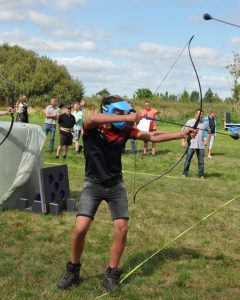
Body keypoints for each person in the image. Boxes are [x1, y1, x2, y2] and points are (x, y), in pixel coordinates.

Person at [56, 95, 196, 292]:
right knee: (80, 228)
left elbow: (153, 136)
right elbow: (92, 119)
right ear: (109, 112)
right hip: (93, 184)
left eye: (125, 113)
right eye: (119, 112)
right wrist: (128, 117)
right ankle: (73, 271)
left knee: (121, 229)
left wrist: (182, 134)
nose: (124, 116)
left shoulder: (126, 131)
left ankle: (111, 274)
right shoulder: (93, 128)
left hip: (115, 185)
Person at [182, 109, 211, 179]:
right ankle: (185, 174)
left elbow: (209, 132)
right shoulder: (190, 122)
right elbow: (183, 131)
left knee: (201, 161)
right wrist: (183, 141)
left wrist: (206, 141)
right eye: (199, 114)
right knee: (187, 160)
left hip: (200, 145)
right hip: (191, 144)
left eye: (202, 114)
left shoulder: (205, 123)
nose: (201, 116)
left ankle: (201, 175)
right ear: (195, 114)